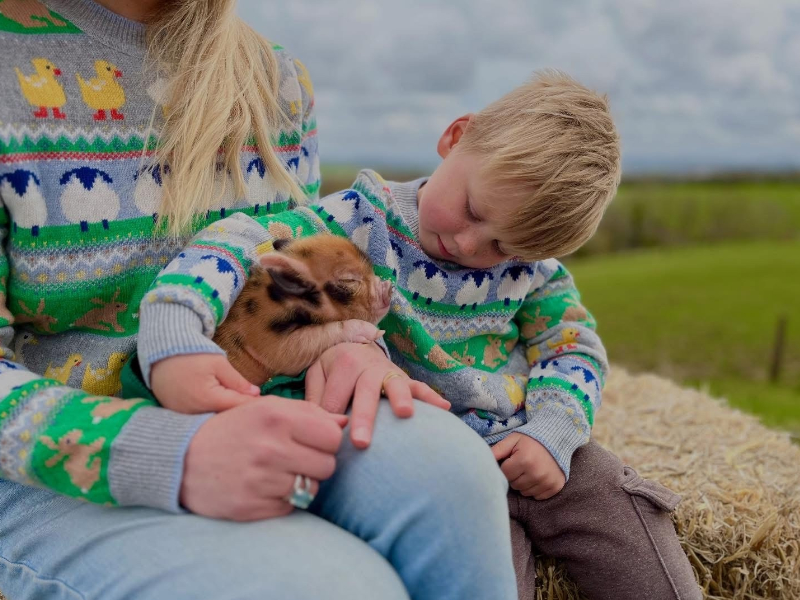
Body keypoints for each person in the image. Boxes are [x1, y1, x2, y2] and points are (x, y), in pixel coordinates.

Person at [0, 1, 519, 599]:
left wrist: (343, 345)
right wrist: (171, 453)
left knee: (455, 475)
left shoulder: (274, 78)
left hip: (261, 405)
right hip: (50, 466)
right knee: (340, 589)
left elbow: (297, 266)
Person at [139, 71, 704, 599]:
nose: (469, 246)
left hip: (525, 438)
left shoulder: (533, 272)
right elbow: (236, 241)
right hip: (434, 463)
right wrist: (176, 323)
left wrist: (554, 431)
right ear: (456, 137)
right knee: (478, 566)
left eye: (504, 247)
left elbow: (572, 344)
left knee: (620, 509)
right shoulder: (358, 222)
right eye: (472, 209)